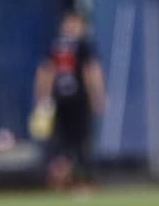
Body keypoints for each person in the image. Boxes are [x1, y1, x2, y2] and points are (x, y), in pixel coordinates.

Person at [32, 10, 106, 190]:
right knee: (77, 143)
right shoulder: (82, 44)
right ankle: (78, 180)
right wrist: (97, 96)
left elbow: (44, 72)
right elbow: (91, 71)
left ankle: (62, 179)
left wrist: (42, 98)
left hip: (60, 102)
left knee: (63, 143)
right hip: (75, 102)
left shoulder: (56, 45)